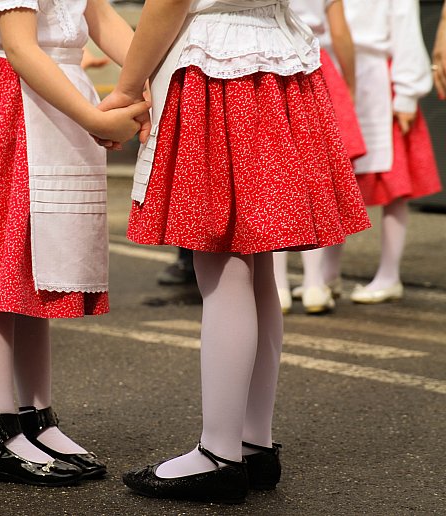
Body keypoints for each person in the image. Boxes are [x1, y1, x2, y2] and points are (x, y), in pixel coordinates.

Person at [106, 0, 370, 503]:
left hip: (218, 69)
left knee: (221, 260)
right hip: (280, 62)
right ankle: (254, 443)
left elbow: (169, 2)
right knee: (259, 265)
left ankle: (218, 453)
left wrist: (126, 85)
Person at [0, 0, 148, 486]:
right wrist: (95, 118)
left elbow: (99, 16)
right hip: (11, 105)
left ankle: (35, 419)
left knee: (42, 271)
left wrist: (147, 77)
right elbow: (20, 48)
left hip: (56, 99)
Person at [344, 0, 442, 305]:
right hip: (338, 72)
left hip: (381, 78)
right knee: (335, 181)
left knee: (394, 183)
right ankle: (323, 274)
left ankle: (389, 273)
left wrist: (407, 93)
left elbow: (406, 28)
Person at [273, 0, 366, 314]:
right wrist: (349, 84)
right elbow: (340, 33)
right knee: (314, 175)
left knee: (272, 181)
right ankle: (314, 283)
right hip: (310, 60)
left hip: (260, 61)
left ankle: (278, 286)